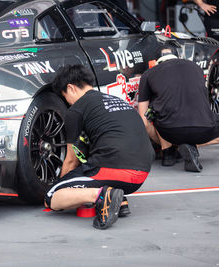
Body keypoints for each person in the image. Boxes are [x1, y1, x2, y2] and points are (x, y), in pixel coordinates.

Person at [44, 65, 155, 230]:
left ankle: (103, 195)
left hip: (113, 169)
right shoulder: (117, 101)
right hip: (141, 174)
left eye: (64, 96)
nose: (67, 102)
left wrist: (64, 186)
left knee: (52, 196)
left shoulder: (77, 110)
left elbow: (71, 160)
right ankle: (119, 198)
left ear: (70, 88)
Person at [138, 46, 219, 172]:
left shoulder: (148, 74)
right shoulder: (195, 68)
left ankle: (168, 151)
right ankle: (191, 145)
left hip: (170, 132)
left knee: (154, 113)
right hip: (204, 129)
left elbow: (143, 119)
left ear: (154, 62)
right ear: (179, 57)